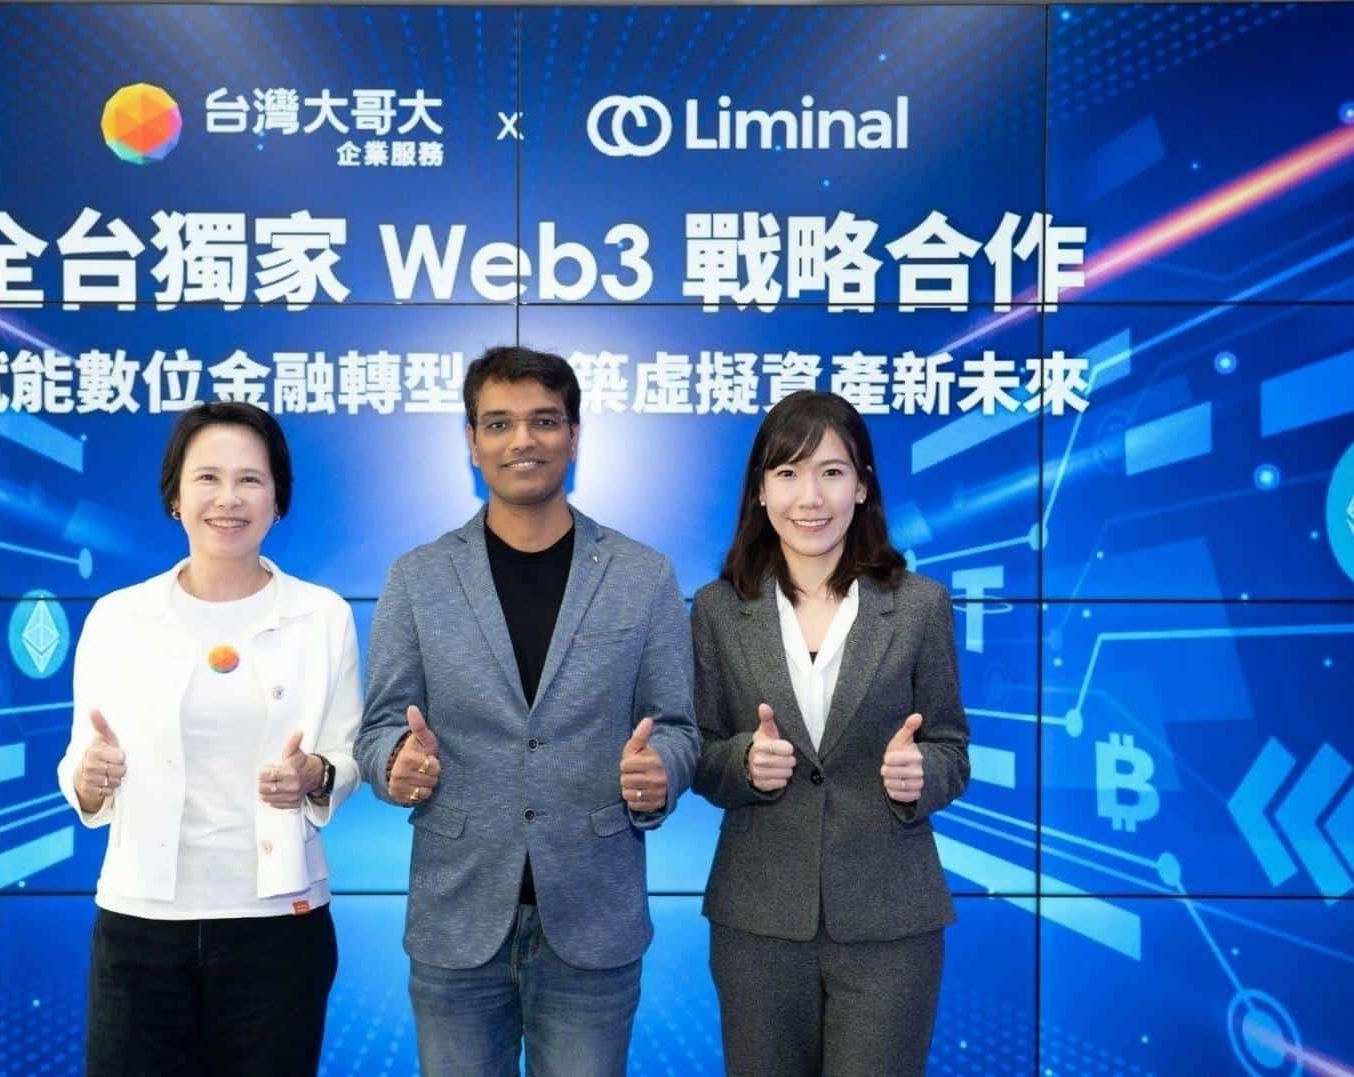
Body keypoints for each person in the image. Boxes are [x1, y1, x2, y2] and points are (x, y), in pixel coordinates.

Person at [353, 345, 700, 1076]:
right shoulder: (418, 577)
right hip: (457, 914)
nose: (522, 440)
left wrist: (661, 772)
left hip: (593, 916)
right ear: (471, 441)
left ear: (573, 436)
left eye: (544, 421)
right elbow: (380, 727)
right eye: (498, 423)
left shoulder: (642, 575)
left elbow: (676, 724)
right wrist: (394, 764)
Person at [56, 401, 362, 1076]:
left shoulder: (322, 616)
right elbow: (80, 757)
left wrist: (314, 773)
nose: (228, 498)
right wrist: (90, 777)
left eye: (250, 479)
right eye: (207, 478)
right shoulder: (118, 617)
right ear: (175, 495)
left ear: (278, 497)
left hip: (278, 925)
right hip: (140, 925)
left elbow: (345, 755)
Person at [690, 390, 970, 1077]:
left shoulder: (919, 605)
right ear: (759, 490)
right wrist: (743, 763)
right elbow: (697, 750)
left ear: (862, 485)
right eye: (787, 473)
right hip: (758, 919)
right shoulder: (718, 609)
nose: (809, 497)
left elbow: (950, 745)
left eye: (832, 472)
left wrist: (923, 774)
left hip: (890, 920)